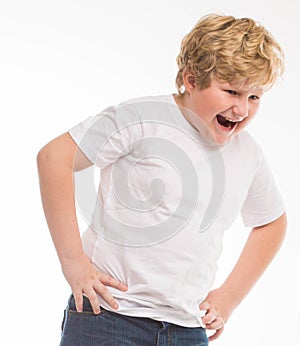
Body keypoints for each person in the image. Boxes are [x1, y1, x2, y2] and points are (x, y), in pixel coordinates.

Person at [37, 13, 287, 345]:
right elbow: (54, 158)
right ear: (192, 80)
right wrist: (74, 263)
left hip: (186, 327)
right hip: (109, 316)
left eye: (254, 97)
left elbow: (272, 221)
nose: (241, 110)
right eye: (231, 92)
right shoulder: (142, 118)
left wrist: (229, 296)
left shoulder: (248, 154)